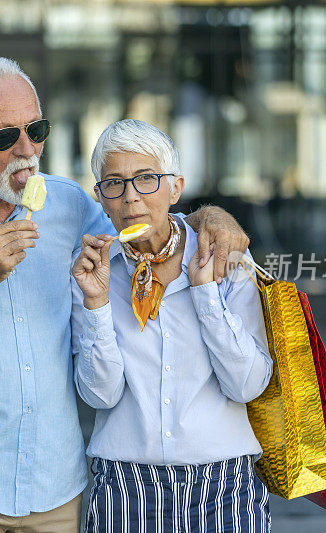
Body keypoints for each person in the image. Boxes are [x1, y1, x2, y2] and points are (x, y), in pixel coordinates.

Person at [0, 57, 251, 533]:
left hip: (56, 489)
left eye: (36, 129)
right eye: (5, 137)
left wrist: (213, 218)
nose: (27, 150)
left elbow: (146, 227)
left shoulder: (67, 205)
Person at [71, 119, 272, 532]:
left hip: (225, 486)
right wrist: (95, 304)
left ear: (175, 188)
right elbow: (100, 396)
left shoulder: (225, 257)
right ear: (100, 198)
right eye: (114, 183)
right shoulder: (92, 273)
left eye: (146, 179)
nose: (131, 199)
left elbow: (248, 385)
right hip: (125, 487)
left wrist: (206, 296)